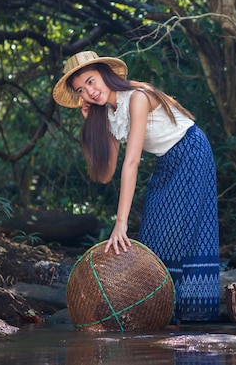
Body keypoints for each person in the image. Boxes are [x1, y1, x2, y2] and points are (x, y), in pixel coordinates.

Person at [52, 51, 220, 323]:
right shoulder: (108, 112)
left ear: (106, 74)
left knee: (182, 231)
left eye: (92, 81)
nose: (90, 92)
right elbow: (107, 173)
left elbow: (132, 164)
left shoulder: (138, 97)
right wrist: (92, 123)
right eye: (81, 90)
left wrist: (121, 223)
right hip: (167, 161)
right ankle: (160, 309)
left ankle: (189, 316)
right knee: (153, 230)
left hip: (191, 152)